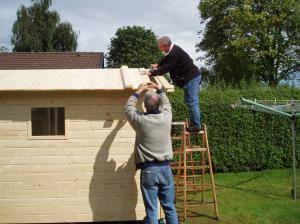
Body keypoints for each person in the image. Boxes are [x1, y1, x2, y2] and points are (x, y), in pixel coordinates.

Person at [124, 82, 178, 224]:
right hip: (166, 169)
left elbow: (128, 108)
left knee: (152, 211)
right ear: (159, 105)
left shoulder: (140, 120)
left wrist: (139, 91)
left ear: (146, 106)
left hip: (148, 171)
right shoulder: (166, 117)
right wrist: (159, 88)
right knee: (170, 208)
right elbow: (166, 102)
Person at [147, 36, 202, 133]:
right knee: (190, 101)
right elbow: (166, 59)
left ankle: (196, 125)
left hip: (191, 78)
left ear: (165, 45)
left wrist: (152, 73)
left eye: (159, 46)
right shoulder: (173, 50)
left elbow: (167, 67)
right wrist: (157, 64)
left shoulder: (175, 53)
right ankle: (195, 123)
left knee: (192, 101)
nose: (159, 48)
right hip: (190, 77)